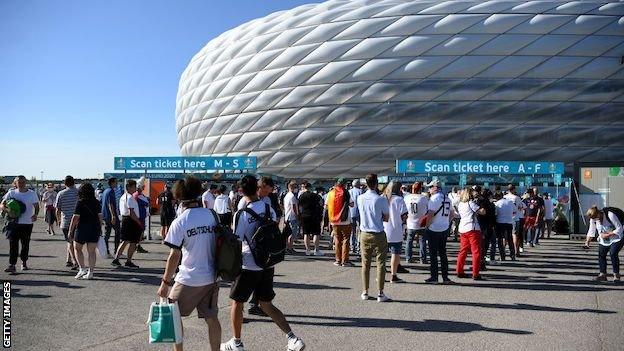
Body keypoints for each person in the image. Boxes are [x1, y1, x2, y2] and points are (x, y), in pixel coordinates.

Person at [221, 175, 305, 351]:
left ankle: (236, 342)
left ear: (242, 191)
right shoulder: (268, 208)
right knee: (266, 304)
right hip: (267, 263)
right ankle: (292, 338)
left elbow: (236, 241)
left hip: (249, 264)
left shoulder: (242, 214)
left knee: (237, 302)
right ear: (257, 188)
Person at [158, 176, 222, 351]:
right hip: (212, 276)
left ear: (178, 196)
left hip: (189, 278)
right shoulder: (211, 215)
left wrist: (165, 282)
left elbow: (174, 254)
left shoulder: (180, 222)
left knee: (172, 315)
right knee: (212, 319)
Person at [357, 174, 390, 302]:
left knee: (365, 263)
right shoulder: (381, 199)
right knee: (381, 263)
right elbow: (386, 218)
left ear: (366, 183)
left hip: (364, 233)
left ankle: (365, 291)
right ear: (376, 184)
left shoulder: (360, 198)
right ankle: (380, 293)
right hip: (378, 232)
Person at [1, 176, 40, 273]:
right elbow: (2, 204)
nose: (21, 184)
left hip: (27, 223)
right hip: (14, 223)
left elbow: (36, 206)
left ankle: (24, 261)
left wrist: (35, 214)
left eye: (23, 182)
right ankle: (12, 265)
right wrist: (8, 210)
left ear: (25, 182)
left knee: (25, 244)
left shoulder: (31, 194)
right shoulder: (12, 193)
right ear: (15, 183)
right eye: (19, 182)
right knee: (13, 244)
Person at [68, 183, 103, 280]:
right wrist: (100, 228)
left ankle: (82, 268)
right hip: (94, 228)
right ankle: (91, 272)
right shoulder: (96, 202)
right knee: (91, 251)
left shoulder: (80, 202)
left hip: (82, 227)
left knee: (77, 248)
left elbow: (75, 217)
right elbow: (100, 216)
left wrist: (70, 231)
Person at [424, 179, 453, 284]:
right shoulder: (447, 198)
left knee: (433, 254)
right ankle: (445, 277)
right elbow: (452, 214)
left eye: (430, 187)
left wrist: (427, 226)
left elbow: (430, 214)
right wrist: (446, 223)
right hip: (444, 228)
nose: (429, 190)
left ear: (434, 188)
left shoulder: (433, 199)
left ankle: (434, 277)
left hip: (434, 228)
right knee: (443, 253)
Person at [586, 206, 623, 282]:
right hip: (604, 239)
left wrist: (607, 234)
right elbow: (591, 230)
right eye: (594, 219)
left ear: (599, 213)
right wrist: (587, 241)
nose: (596, 220)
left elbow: (619, 228)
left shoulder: (610, 215)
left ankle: (616, 275)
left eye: (596, 218)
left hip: (618, 237)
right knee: (601, 254)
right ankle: (603, 274)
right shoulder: (593, 219)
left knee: (613, 253)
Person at [111, 179, 141, 268]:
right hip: (130, 221)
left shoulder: (123, 196)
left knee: (125, 241)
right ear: (129, 187)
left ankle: (117, 259)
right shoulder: (130, 197)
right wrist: (138, 222)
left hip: (126, 219)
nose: (135, 188)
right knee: (132, 242)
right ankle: (128, 261)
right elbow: (131, 212)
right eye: (134, 187)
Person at [456, 187, 483, 280]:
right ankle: (475, 273)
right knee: (476, 252)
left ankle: (459, 270)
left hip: (463, 228)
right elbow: (482, 212)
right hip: (472, 228)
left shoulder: (460, 204)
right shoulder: (471, 203)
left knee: (463, 251)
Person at [383, 181, 408, 283]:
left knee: (382, 255)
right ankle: (393, 275)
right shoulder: (399, 200)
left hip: (383, 229)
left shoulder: (382, 198)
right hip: (396, 230)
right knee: (395, 253)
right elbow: (404, 215)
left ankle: (381, 274)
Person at [326, 178, 354, 266]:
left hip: (334, 220)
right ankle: (345, 261)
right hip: (345, 220)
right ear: (344, 184)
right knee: (346, 240)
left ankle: (338, 260)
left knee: (337, 240)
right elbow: (352, 204)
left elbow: (326, 205)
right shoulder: (346, 192)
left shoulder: (330, 193)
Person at [55, 175, 80, 270]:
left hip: (65, 221)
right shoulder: (78, 193)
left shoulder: (61, 193)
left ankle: (73, 260)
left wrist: (58, 219)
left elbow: (57, 209)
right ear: (74, 182)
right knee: (74, 241)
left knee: (69, 241)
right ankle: (71, 260)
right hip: (78, 221)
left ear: (65, 183)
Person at [404, 182, 429, 264]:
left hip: (410, 222)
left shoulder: (407, 198)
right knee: (422, 241)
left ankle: (408, 257)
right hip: (421, 222)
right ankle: (423, 258)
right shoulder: (423, 198)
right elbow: (427, 209)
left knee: (409, 240)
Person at [298, 182, 323, 256]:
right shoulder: (316, 196)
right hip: (315, 216)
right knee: (316, 233)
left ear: (304, 188)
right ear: (310, 187)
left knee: (306, 233)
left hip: (305, 216)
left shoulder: (301, 196)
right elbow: (321, 204)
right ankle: (316, 250)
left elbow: (299, 206)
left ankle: (308, 250)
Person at [101, 178, 120, 257]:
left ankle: (106, 251)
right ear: (112, 183)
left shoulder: (105, 191)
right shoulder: (111, 191)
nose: (117, 183)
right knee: (118, 232)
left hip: (105, 215)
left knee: (107, 234)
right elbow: (110, 204)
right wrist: (113, 216)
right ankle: (117, 251)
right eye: (116, 182)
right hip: (111, 215)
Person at [494, 191, 515, 261]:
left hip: (500, 223)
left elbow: (495, 213)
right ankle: (512, 255)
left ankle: (502, 256)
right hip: (509, 222)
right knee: (510, 239)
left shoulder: (497, 203)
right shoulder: (510, 202)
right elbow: (515, 211)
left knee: (500, 239)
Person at [504, 185, 524, 256]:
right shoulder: (516, 197)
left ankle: (503, 251)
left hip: (506, 218)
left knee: (505, 236)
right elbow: (520, 207)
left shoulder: (504, 197)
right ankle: (516, 251)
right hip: (515, 218)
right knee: (515, 235)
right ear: (514, 189)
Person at [134, 178, 150, 254]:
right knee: (140, 232)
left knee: (139, 232)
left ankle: (137, 246)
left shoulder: (138, 195)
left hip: (140, 215)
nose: (144, 187)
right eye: (143, 186)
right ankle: (137, 246)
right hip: (140, 216)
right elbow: (147, 202)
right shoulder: (138, 195)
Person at [283, 180, 300, 254]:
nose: (296, 188)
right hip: (292, 217)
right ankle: (290, 248)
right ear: (292, 187)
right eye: (295, 187)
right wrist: (297, 216)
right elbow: (293, 208)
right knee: (292, 234)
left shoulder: (287, 195)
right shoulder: (292, 196)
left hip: (287, 216)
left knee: (288, 233)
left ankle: (288, 247)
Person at [349, 179, 362, 254]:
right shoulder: (360, 191)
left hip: (351, 213)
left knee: (352, 231)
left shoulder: (349, 191)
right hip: (359, 213)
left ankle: (352, 246)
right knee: (359, 230)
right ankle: (358, 246)